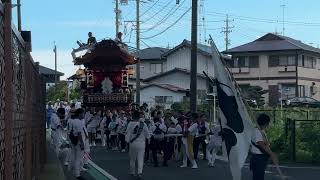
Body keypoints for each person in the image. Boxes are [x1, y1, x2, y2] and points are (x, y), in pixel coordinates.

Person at [250, 114, 279, 180]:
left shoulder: (261, 131)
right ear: (265, 123)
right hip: (258, 159)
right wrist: (272, 154)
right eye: (268, 123)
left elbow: (264, 144)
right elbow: (261, 145)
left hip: (261, 158)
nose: (268, 125)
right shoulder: (257, 132)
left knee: (259, 177)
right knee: (258, 178)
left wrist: (267, 144)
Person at [126, 110, 150, 179]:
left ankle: (132, 172)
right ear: (139, 117)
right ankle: (139, 173)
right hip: (141, 144)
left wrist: (127, 141)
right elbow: (147, 135)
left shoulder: (130, 124)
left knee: (132, 159)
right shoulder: (143, 124)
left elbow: (128, 134)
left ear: (132, 117)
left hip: (133, 143)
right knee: (140, 158)